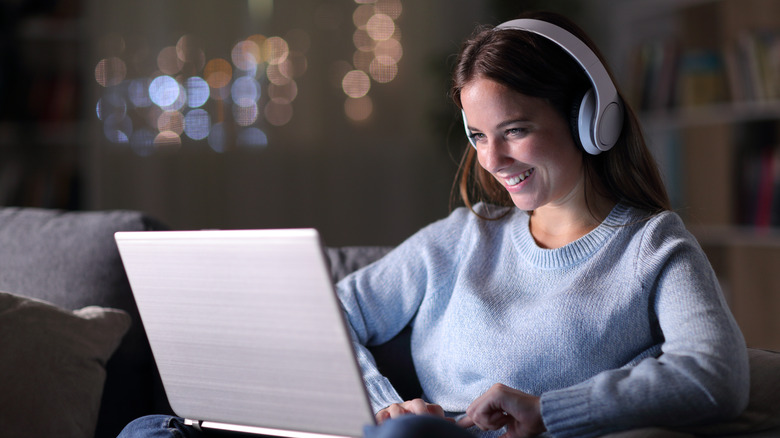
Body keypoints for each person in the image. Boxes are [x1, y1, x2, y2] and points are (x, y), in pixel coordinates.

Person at [118, 10, 749, 438]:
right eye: (478, 136)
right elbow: (328, 310)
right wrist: (382, 402)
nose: (493, 160)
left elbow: (716, 375)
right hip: (404, 433)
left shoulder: (651, 247)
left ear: (592, 120)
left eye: (516, 131)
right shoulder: (465, 235)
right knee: (149, 429)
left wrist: (548, 412)